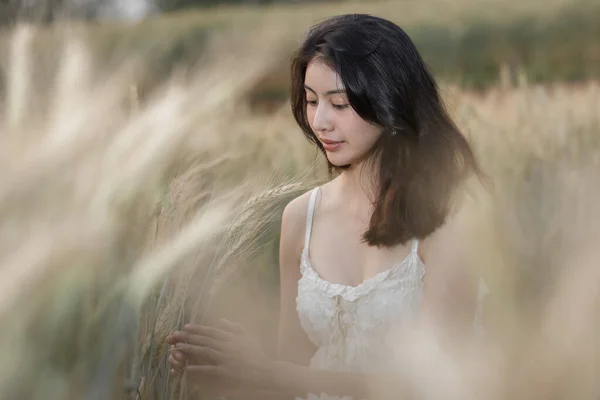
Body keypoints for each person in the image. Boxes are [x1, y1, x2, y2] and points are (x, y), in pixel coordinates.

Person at [166, 14, 486, 400]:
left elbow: (434, 381)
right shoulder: (302, 217)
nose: (319, 121)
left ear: (388, 98)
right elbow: (293, 374)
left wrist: (269, 372)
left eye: (339, 103)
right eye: (311, 100)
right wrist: (235, 368)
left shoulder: (447, 217)